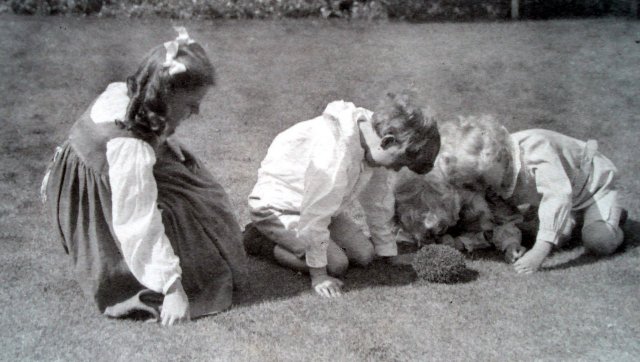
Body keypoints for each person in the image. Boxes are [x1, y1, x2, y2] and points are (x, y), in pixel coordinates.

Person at [41, 27, 248, 325]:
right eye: (191, 105)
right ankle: (160, 276)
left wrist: (165, 140)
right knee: (186, 225)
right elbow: (137, 221)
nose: (197, 111)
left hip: (105, 166)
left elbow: (138, 127)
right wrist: (172, 288)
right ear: (167, 94)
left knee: (196, 183)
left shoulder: (134, 96)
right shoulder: (130, 148)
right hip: (93, 195)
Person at [244, 92, 440, 297]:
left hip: (319, 209)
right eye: (399, 162)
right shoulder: (334, 152)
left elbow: (377, 201)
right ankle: (257, 240)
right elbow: (315, 215)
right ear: (388, 141)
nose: (398, 170)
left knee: (365, 255)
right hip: (277, 208)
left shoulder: (377, 138)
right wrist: (318, 275)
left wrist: (389, 252)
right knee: (336, 264)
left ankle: (296, 245)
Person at [436, 115, 627, 274]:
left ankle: (611, 221)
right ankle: (579, 219)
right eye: (473, 182)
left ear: (497, 157)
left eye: (480, 178)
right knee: (546, 233)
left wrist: (539, 251)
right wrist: (511, 244)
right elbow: (505, 218)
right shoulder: (492, 181)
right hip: (561, 198)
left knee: (598, 240)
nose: (479, 186)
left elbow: (557, 195)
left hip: (592, 187)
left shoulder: (536, 149)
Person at [394, 167, 526, 263]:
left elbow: (501, 225)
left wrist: (511, 245)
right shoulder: (412, 202)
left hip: (501, 214)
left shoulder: (477, 196)